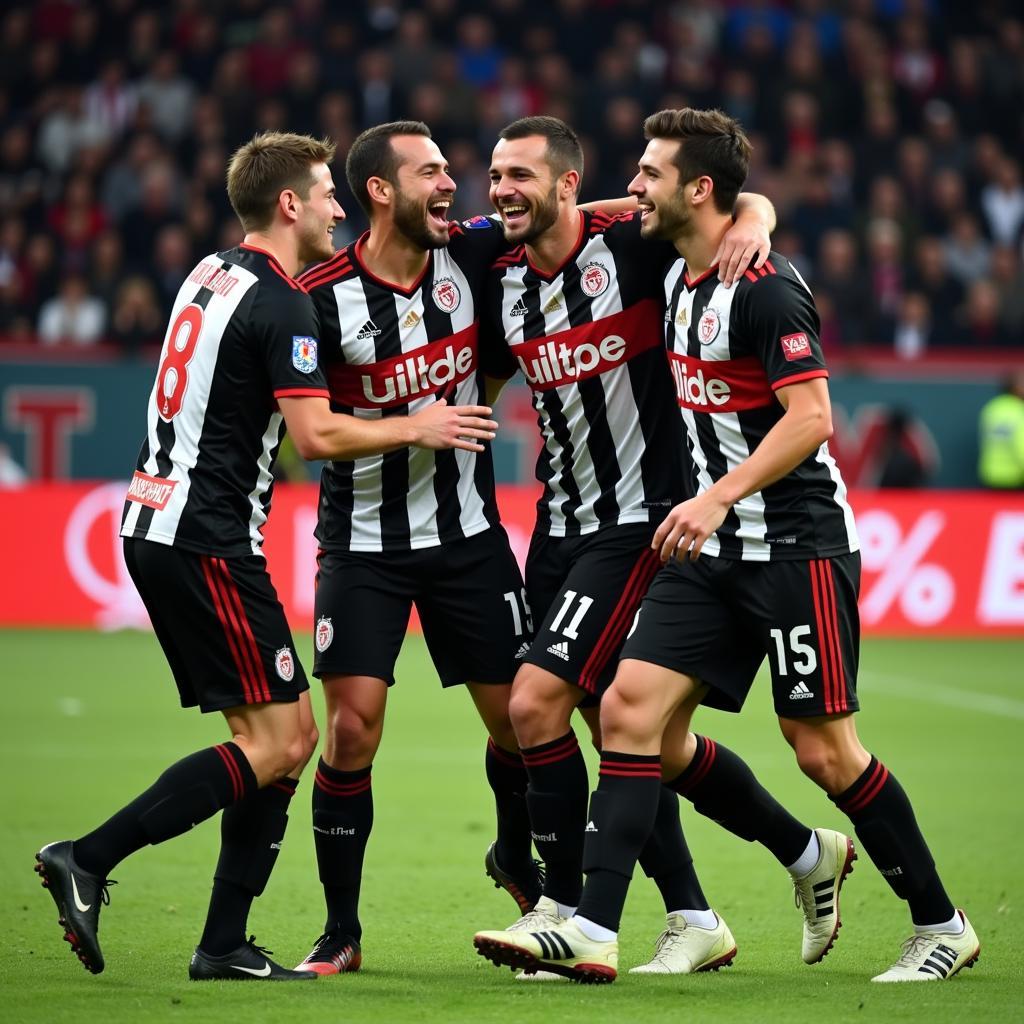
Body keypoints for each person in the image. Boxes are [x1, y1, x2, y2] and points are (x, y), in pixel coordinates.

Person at [474, 108, 979, 984]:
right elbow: (719, 208)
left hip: (794, 544)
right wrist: (749, 212)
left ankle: (941, 922)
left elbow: (813, 418)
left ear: (697, 189)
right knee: (630, 715)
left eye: (650, 175)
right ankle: (594, 926)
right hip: (704, 550)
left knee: (823, 749)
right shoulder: (674, 277)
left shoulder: (768, 289)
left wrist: (714, 496)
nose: (633, 190)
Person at [35, 130, 497, 981]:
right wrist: (418, 423)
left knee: (278, 737)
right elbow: (316, 436)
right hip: (205, 538)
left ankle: (222, 943)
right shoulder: (286, 301)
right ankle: (89, 858)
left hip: (158, 522)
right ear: (289, 204)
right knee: (283, 744)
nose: (336, 207)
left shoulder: (210, 271)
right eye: (325, 193)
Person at [290, 121, 536, 976]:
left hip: (469, 539)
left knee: (519, 722)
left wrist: (754, 214)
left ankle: (513, 853)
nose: (452, 185)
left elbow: (605, 208)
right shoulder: (318, 295)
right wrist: (414, 426)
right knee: (352, 731)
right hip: (362, 546)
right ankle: (341, 930)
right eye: (431, 171)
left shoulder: (467, 253)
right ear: (380, 191)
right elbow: (308, 439)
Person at [978, 369, 1024, 489]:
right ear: (1016, 387)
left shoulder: (992, 408)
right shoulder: (1019, 411)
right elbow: (1021, 446)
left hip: (991, 473)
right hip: (1015, 477)